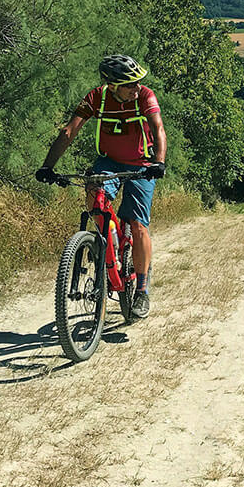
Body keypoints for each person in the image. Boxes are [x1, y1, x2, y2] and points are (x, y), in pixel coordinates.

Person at [36, 54, 166, 318]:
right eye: (130, 84)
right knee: (96, 203)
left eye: (138, 82)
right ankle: (104, 245)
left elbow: (158, 127)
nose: (137, 87)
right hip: (108, 162)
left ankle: (141, 290)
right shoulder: (97, 97)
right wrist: (47, 166)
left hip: (142, 165)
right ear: (114, 85)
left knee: (139, 225)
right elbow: (69, 132)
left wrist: (159, 161)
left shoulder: (145, 97)